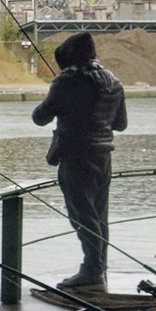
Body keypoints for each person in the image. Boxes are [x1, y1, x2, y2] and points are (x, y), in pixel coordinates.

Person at [30, 29, 126, 292]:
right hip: (103, 157)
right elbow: (121, 124)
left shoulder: (67, 81)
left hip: (75, 156)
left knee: (81, 215)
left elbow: (40, 117)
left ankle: (92, 270)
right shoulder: (113, 81)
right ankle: (98, 267)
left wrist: (58, 92)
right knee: (98, 215)